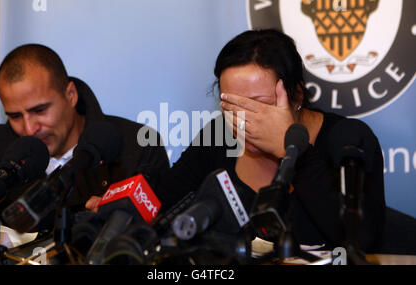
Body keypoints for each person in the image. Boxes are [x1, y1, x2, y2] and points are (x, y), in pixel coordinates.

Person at [149, 29, 386, 256]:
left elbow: (362, 240)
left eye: (259, 105)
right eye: (233, 106)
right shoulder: (217, 136)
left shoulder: (346, 139)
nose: (244, 120)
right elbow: (160, 210)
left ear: (297, 96)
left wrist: (291, 150)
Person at [0, 44, 170, 248]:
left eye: (39, 110)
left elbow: (161, 236)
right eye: (15, 116)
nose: (29, 129)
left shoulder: (137, 146)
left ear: (71, 95)